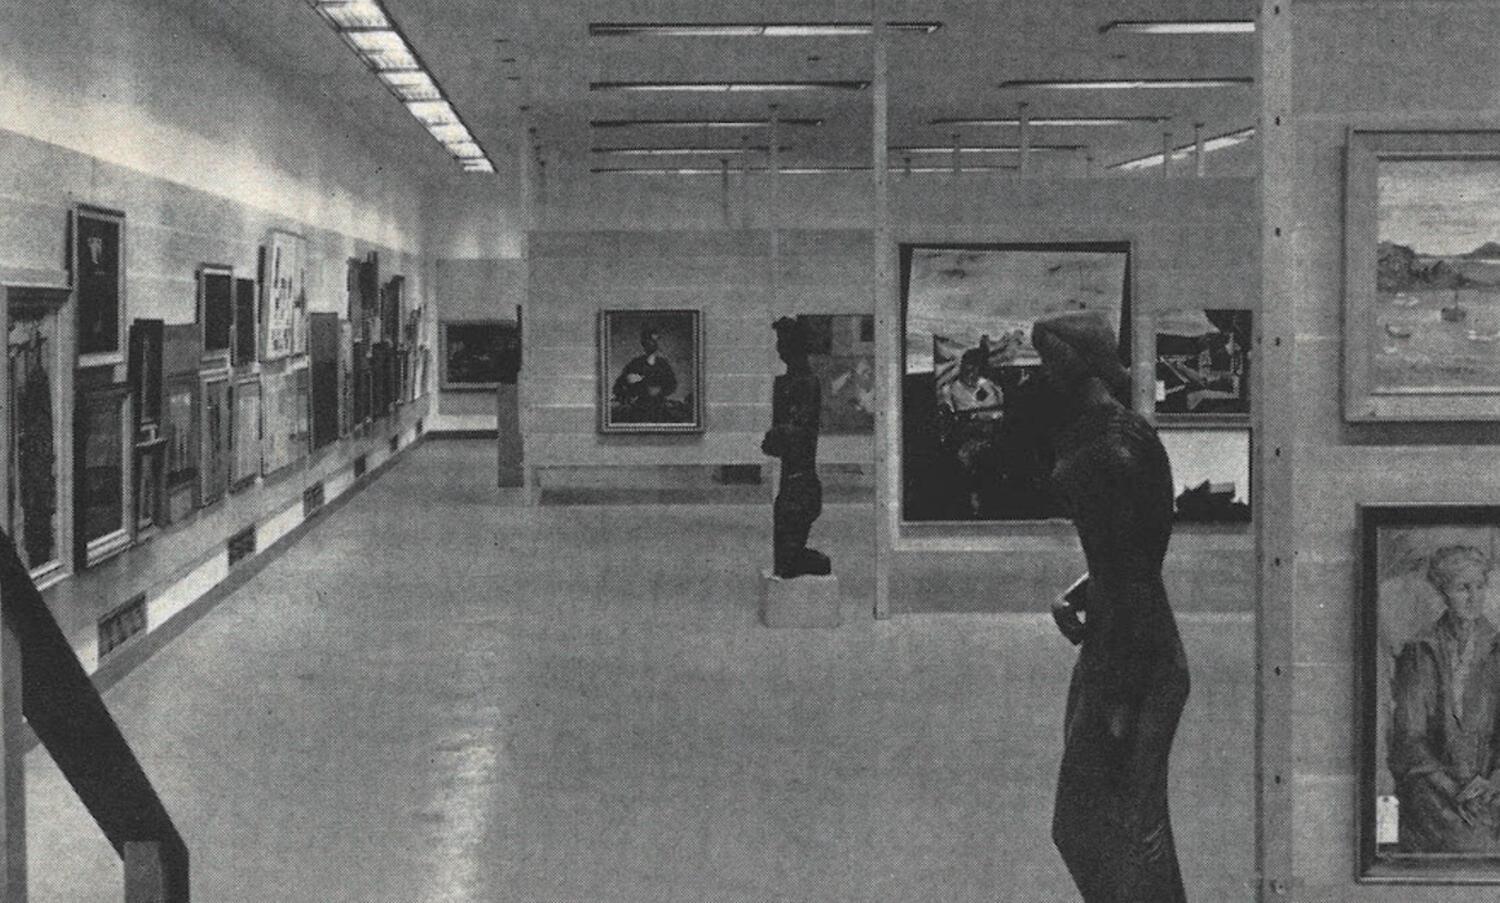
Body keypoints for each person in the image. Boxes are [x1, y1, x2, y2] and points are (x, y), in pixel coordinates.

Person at [1033, 310, 1190, 903]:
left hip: (1135, 654)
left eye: (1051, 363)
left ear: (1078, 366)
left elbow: (1136, 565)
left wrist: (1123, 680)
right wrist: (1079, 593)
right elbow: (1126, 558)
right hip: (1117, 642)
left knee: (1115, 824)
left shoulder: (1115, 449)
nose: (1044, 375)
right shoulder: (1107, 434)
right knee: (1111, 823)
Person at [1390, 545, 1500, 853]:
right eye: (1463, 588)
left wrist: (1494, 781)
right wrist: (1452, 788)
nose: (1474, 597)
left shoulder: (1497, 649)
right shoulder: (1420, 651)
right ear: (1443, 592)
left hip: (1490, 787)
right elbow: (1409, 738)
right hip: (1435, 787)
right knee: (1466, 842)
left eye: (1480, 586)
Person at [761, 317, 831, 578]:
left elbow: (795, 432)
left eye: (784, 342)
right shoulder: (787, 382)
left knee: (787, 563)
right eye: (779, 342)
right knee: (784, 560)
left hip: (801, 483)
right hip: (793, 481)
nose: (780, 349)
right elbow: (778, 438)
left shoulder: (807, 383)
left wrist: (779, 435)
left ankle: (804, 559)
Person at [939, 347, 1005, 516]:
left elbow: (1001, 413)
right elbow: (948, 422)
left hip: (993, 436)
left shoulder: (990, 386)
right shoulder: (950, 390)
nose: (970, 371)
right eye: (967, 366)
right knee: (966, 458)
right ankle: (973, 503)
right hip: (967, 439)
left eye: (974, 367)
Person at [612, 325, 679, 423]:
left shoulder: (663, 365)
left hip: (659, 408)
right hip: (639, 409)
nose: (653, 344)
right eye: (650, 341)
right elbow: (617, 387)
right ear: (644, 343)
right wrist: (628, 382)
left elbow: (672, 384)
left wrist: (660, 390)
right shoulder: (635, 364)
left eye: (655, 341)